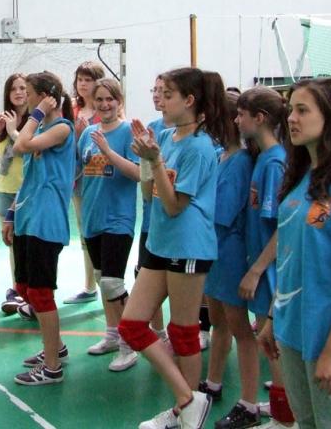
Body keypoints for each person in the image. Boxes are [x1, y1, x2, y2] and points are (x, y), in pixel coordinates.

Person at [258, 77, 331, 429]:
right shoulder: (301, 178)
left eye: (302, 110)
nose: (291, 118)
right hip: (292, 329)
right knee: (306, 422)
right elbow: (290, 257)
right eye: (290, 110)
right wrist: (272, 318)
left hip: (327, 334)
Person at [119, 67, 231, 429]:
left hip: (188, 245)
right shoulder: (166, 137)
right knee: (132, 325)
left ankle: (185, 410)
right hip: (160, 242)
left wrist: (155, 160)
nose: (160, 100)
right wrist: (146, 158)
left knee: (183, 331)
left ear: (189, 100)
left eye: (168, 95)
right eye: (159, 93)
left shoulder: (200, 147)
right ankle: (188, 400)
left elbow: (173, 205)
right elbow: (149, 193)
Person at [2, 71, 75, 385]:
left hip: (46, 221)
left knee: (42, 294)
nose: (25, 97)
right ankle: (55, 347)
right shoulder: (41, 129)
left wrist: (38, 113)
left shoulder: (62, 128)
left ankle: (53, 367)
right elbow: (27, 177)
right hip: (27, 218)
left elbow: (20, 145)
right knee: (24, 289)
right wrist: (11, 214)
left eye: (29, 93)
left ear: (45, 97)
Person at [235, 86, 296, 429]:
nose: (236, 120)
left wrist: (256, 270)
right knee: (267, 339)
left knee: (272, 342)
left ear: (259, 118)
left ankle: (285, 419)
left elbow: (281, 227)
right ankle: (281, 407)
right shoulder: (263, 158)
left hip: (270, 270)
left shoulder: (274, 163)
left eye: (241, 114)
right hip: (261, 264)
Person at [200, 91, 260, 429]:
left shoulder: (240, 162)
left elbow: (222, 213)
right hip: (214, 250)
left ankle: (249, 402)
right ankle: (213, 382)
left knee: (240, 327)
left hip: (229, 252)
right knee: (218, 321)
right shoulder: (221, 155)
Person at [77, 78, 140, 372]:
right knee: (103, 279)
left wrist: (108, 151)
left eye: (110, 99)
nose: (104, 105)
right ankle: (112, 335)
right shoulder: (87, 133)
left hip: (119, 218)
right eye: (99, 99)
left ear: (119, 101)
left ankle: (130, 343)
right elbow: (79, 171)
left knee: (113, 282)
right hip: (92, 217)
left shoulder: (127, 132)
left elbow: (138, 173)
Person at [64, 61, 105, 305]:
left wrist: (84, 134)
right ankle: (90, 285)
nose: (83, 84)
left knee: (99, 228)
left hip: (99, 176)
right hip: (77, 177)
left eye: (88, 79)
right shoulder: (71, 109)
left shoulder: (105, 108)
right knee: (84, 229)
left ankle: (105, 281)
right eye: (80, 79)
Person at [0, 74, 30, 315]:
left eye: (23, 88)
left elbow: (29, 149)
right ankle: (17, 289)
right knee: (12, 242)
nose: (18, 92)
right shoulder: (6, 120)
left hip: (26, 188)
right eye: (13, 88)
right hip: (5, 187)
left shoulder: (35, 120)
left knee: (29, 242)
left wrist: (13, 130)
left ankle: (32, 291)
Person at [134, 75, 168, 342]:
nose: (157, 95)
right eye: (154, 90)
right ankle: (158, 331)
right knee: (146, 276)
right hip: (151, 222)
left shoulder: (195, 139)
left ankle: (200, 329)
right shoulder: (151, 129)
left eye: (164, 91)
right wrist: (147, 162)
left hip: (175, 225)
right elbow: (147, 192)